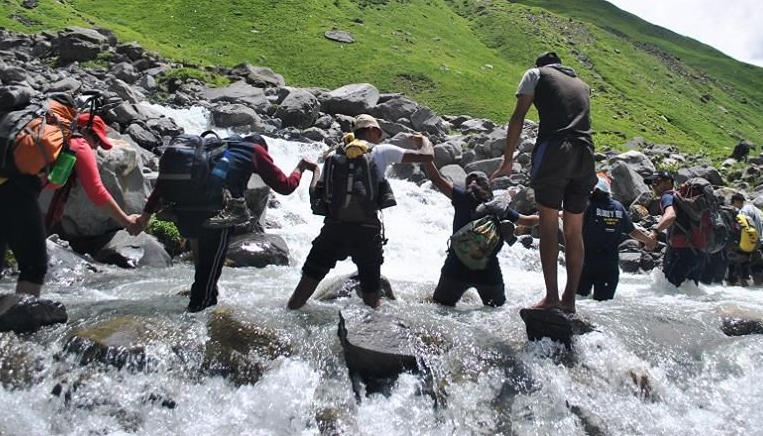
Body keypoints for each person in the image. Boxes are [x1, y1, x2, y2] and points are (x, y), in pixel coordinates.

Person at [0, 110, 142, 319]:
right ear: (84, 130)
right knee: (34, 267)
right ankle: (22, 325)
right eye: (97, 140)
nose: (95, 147)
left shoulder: (24, 131)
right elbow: (97, 192)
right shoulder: (77, 143)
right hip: (15, 196)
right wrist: (127, 221)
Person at [138, 134, 315, 312]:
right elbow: (285, 186)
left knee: (204, 272)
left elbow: (160, 187)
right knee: (207, 282)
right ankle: (196, 316)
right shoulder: (255, 151)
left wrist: (144, 216)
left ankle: (202, 302)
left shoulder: (216, 149)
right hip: (216, 215)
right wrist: (300, 168)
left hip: (183, 210)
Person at [287, 115, 434, 310]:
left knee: (302, 291)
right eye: (379, 132)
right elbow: (426, 156)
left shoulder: (335, 154)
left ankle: (288, 315)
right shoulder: (381, 151)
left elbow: (320, 193)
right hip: (367, 231)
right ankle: (375, 328)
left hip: (333, 229)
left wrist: (315, 171)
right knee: (372, 299)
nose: (380, 137)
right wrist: (423, 140)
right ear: (371, 129)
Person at [492, 51, 595, 312]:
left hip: (555, 151)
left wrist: (507, 159)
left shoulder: (536, 74)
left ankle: (551, 298)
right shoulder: (582, 85)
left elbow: (518, 116)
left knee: (548, 225)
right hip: (586, 154)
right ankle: (569, 301)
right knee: (574, 231)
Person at [423, 162, 539, 307]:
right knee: (496, 310)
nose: (473, 183)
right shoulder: (500, 208)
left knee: (439, 306)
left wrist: (426, 157)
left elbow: (435, 178)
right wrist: (555, 214)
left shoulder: (461, 197)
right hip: (488, 273)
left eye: (474, 181)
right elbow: (529, 221)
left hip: (455, 269)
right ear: (488, 188)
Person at [578, 179, 655, 300]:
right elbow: (632, 231)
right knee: (604, 304)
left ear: (595, 190)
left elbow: (574, 223)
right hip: (610, 266)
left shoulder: (588, 205)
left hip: (586, 264)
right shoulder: (618, 207)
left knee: (579, 301)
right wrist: (648, 240)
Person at [646, 171, 704, 287]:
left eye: (657, 182)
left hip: (681, 252)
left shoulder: (667, 197)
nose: (653, 185)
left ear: (669, 182)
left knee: (669, 289)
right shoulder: (683, 199)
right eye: (652, 183)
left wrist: (655, 232)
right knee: (691, 292)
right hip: (698, 252)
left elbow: (671, 215)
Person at [727, 193, 763, 286]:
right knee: (756, 273)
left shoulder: (742, 212)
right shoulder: (752, 209)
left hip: (749, 245)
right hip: (760, 243)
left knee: (741, 274)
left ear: (736, 202)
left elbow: (743, 229)